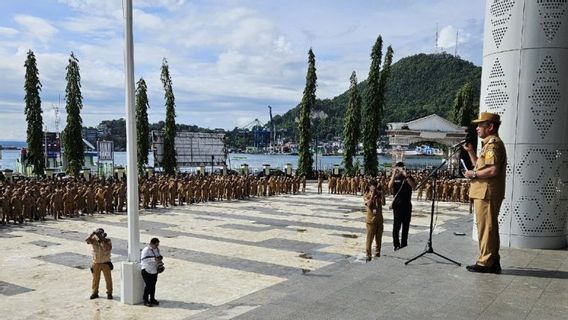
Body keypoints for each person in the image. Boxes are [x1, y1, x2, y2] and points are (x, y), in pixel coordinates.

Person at [463, 112, 506, 274]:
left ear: (491, 127)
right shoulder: (488, 145)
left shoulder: (493, 144)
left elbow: (493, 170)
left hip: (487, 193)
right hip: (484, 192)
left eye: (481, 125)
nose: (477, 128)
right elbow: (480, 166)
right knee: (489, 228)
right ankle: (492, 260)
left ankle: (485, 262)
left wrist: (472, 175)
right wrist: (470, 151)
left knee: (486, 228)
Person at [388, 162, 416, 251]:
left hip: (407, 205)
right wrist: (393, 174)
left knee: (406, 226)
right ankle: (396, 244)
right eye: (398, 168)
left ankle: (404, 244)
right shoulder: (395, 178)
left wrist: (406, 176)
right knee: (396, 226)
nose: (399, 170)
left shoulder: (408, 177)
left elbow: (414, 187)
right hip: (397, 205)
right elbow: (389, 186)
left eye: (400, 168)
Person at [85, 228, 113, 300]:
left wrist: (101, 240)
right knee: (95, 279)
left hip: (105, 263)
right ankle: (95, 292)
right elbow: (87, 240)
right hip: (96, 263)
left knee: (108, 279)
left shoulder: (107, 240)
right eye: (98, 233)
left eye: (100, 233)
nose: (99, 235)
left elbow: (107, 248)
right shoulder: (93, 240)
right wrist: (92, 234)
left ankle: (109, 293)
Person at [363, 179, 385, 261]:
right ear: (369, 187)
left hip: (379, 220)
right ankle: (368, 254)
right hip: (371, 221)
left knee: (379, 240)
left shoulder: (379, 194)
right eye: (373, 186)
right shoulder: (366, 195)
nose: (374, 188)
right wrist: (372, 195)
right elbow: (368, 204)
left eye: (375, 186)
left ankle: (377, 253)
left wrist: (381, 194)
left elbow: (383, 203)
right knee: (369, 239)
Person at [141, 237, 162, 307]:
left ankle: (152, 299)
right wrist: (154, 259)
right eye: (156, 245)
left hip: (154, 270)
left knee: (153, 286)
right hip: (146, 270)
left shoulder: (157, 249)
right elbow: (143, 260)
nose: (157, 246)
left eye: (158, 245)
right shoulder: (146, 250)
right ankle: (145, 300)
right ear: (152, 244)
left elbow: (158, 256)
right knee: (148, 286)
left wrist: (159, 258)